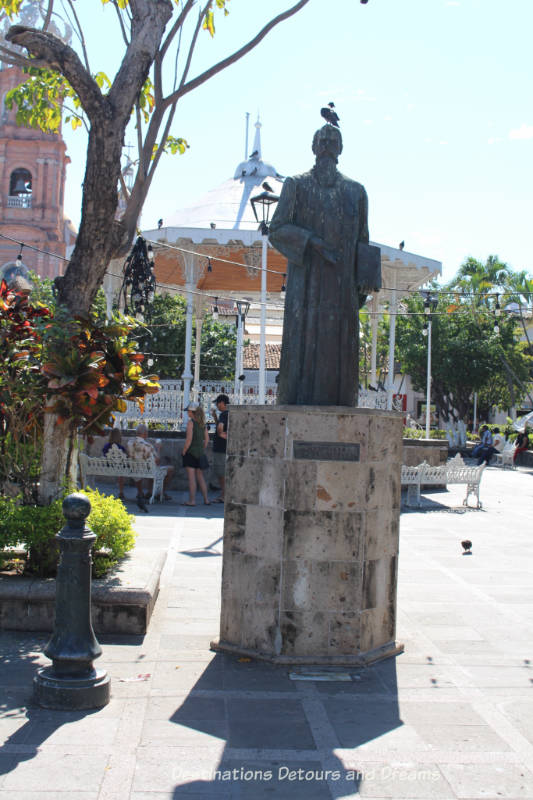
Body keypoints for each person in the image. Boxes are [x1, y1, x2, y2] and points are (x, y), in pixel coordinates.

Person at [269, 123, 379, 406]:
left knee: (339, 353)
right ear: (314, 147)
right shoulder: (296, 185)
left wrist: (365, 281)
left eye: (333, 141)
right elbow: (277, 228)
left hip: (341, 291)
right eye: (323, 140)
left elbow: (363, 241)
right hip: (304, 286)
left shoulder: (356, 191)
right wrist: (311, 241)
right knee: (301, 351)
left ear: (340, 150)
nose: (328, 145)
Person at [127, 423, 174, 508]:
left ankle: (145, 492)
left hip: (134, 469)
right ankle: (160, 493)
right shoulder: (148, 446)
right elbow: (157, 461)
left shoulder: (129, 443)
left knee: (147, 467)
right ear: (145, 433)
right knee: (170, 469)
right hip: (147, 470)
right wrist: (158, 449)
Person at [181, 403, 210, 506]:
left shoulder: (191, 423)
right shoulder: (203, 424)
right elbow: (207, 440)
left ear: (191, 412)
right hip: (200, 453)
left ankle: (192, 501)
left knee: (192, 478)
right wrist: (202, 449)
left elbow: (189, 440)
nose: (187, 413)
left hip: (191, 453)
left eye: (188, 411)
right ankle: (206, 499)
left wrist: (184, 450)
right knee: (201, 477)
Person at [211, 394, 229, 503]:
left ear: (222, 403)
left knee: (221, 473)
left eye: (218, 403)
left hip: (220, 449)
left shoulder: (224, 414)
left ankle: (223, 495)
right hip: (224, 448)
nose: (217, 406)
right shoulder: (227, 414)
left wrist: (220, 433)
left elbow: (221, 427)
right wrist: (215, 417)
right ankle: (224, 494)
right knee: (222, 473)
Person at [102, 427, 128, 499]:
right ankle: (121, 492)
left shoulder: (106, 446)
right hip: (119, 468)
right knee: (121, 472)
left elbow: (104, 455)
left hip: (107, 467)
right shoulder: (121, 447)